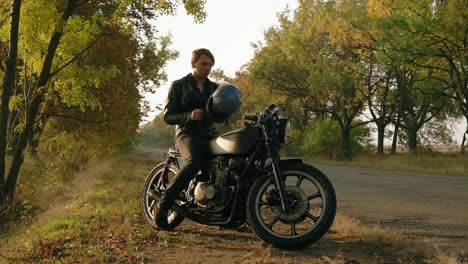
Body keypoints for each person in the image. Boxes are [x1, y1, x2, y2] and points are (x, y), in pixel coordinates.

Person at [154, 48, 218, 230]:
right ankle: (164, 204)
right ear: (193, 64)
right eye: (204, 64)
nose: (208, 68)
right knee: (194, 162)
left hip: (208, 134)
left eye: (210, 65)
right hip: (186, 133)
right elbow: (168, 116)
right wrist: (189, 115)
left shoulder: (214, 88)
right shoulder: (179, 85)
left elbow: (220, 115)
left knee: (231, 163)